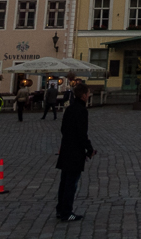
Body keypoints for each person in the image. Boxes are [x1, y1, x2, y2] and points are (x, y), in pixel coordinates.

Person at [56, 83, 95, 222]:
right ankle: (67, 212)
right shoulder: (82, 111)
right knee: (71, 183)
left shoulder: (70, 108)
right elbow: (82, 133)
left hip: (66, 148)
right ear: (84, 96)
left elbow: (63, 129)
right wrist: (89, 149)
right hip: (75, 151)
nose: (89, 95)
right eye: (88, 93)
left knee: (64, 181)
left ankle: (60, 209)